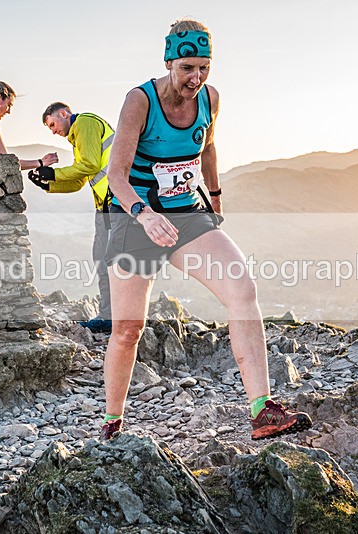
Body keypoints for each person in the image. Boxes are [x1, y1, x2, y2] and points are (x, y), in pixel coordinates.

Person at [98, 18, 312, 441]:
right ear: (168, 62)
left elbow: (208, 144)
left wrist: (214, 197)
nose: (196, 78)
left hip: (187, 211)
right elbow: (115, 175)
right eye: (187, 68)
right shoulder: (139, 101)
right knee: (128, 329)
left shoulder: (211, 99)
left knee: (243, 289)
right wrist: (144, 214)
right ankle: (112, 422)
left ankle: (262, 410)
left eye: (204, 68)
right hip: (133, 217)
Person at [32, 103, 114, 333]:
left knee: (114, 261)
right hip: (106, 206)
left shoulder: (85, 123)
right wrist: (48, 184)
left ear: (64, 114)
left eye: (52, 124)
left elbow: (90, 164)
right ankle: (109, 317)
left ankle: (116, 317)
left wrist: (54, 172)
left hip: (118, 202)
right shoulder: (77, 137)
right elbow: (79, 181)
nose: (53, 131)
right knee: (102, 258)